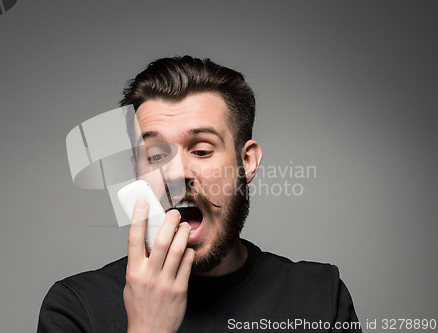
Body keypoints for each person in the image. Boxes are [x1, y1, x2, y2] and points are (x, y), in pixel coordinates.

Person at [37, 56, 362, 332]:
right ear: (136, 171)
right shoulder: (76, 309)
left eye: (202, 150)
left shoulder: (320, 296)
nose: (177, 174)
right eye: (156, 156)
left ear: (246, 162)